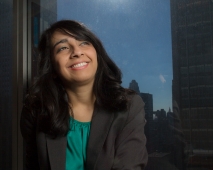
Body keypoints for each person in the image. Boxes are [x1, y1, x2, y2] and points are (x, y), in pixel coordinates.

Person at [20, 20, 148, 170]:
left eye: (84, 43)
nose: (77, 52)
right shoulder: (35, 111)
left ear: (97, 54)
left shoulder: (130, 106)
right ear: (52, 67)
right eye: (63, 48)